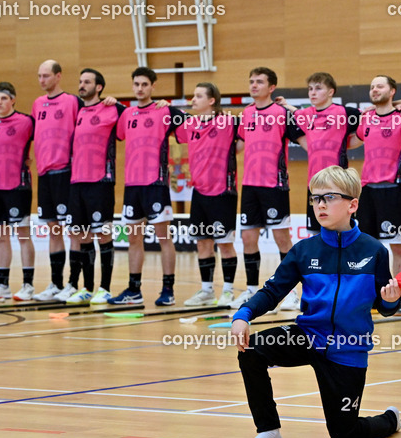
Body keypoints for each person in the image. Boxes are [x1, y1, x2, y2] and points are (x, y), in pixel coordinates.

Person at [230, 166, 401, 438]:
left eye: (329, 197)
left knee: (345, 435)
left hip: (348, 347)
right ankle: (269, 430)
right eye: (315, 198)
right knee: (251, 349)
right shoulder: (304, 251)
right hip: (308, 336)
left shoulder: (375, 251)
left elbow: (385, 308)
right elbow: (273, 291)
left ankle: (390, 420)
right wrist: (243, 315)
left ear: (352, 205)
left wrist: (390, 299)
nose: (320, 205)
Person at [283, 72, 361, 312]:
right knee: (319, 241)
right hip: (315, 188)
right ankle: (320, 293)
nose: (312, 93)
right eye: (309, 89)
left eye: (317, 88)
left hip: (339, 188)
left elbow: (366, 131)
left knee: (343, 240)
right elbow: (294, 124)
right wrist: (285, 105)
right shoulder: (304, 116)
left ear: (330, 92)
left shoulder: (346, 114)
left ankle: (348, 293)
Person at [109, 67, 184, 306]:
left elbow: (191, 125)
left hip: (156, 184)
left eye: (144, 84)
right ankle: (134, 290)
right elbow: (118, 134)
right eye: (136, 84)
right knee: (134, 239)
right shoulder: (126, 114)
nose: (140, 88)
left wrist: (172, 107)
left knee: (164, 238)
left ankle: (168, 290)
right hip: (132, 185)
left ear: (153, 86)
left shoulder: (165, 111)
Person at [355, 74, 401, 312]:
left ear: (392, 91)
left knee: (397, 246)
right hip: (367, 190)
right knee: (368, 246)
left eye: (380, 86)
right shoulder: (365, 119)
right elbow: (350, 140)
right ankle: (371, 295)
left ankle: (400, 297)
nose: (375, 90)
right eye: (372, 86)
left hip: (393, 190)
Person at [233, 67, 297, 309]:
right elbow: (237, 146)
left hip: (275, 186)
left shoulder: (282, 113)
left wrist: (293, 110)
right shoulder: (246, 114)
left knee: (283, 239)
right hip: (249, 186)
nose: (253, 85)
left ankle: (289, 293)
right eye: (251, 81)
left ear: (271, 87)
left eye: (259, 82)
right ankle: (250, 290)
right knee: (248, 238)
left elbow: (307, 139)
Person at [175, 82, 239, 307]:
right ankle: (206, 291)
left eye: (199, 96)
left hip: (223, 191)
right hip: (199, 192)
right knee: (203, 243)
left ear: (212, 101)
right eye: (193, 95)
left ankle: (229, 291)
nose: (194, 99)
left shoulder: (228, 122)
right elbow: (171, 118)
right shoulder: (189, 124)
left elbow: (245, 138)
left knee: (225, 244)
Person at [66, 68, 120, 304]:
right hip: (77, 181)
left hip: (101, 181)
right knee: (83, 236)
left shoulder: (113, 109)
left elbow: (139, 115)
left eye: (87, 82)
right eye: (80, 81)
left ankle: (104, 288)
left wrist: (117, 102)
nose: (82, 85)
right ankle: (87, 287)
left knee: (103, 235)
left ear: (99, 87)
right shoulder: (76, 110)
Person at [0, 82, 36, 300]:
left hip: (18, 187)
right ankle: (2, 285)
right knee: (0, 237)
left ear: (13, 100)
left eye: (4, 98)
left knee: (22, 235)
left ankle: (28, 285)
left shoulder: (26, 122)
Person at [31, 60, 82, 301]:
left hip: (66, 173)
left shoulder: (72, 101)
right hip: (44, 175)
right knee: (53, 229)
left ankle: (73, 283)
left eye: (46, 76)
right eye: (39, 76)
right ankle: (55, 283)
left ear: (58, 76)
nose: (42, 80)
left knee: (73, 230)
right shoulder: (37, 104)